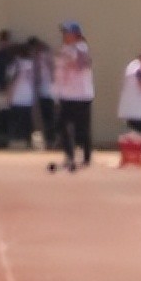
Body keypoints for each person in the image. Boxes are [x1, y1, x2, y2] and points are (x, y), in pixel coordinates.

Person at [53, 21, 94, 171]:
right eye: (64, 32)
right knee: (63, 125)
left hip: (81, 95)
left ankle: (86, 156)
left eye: (67, 32)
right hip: (66, 94)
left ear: (75, 34)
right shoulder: (64, 49)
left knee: (82, 128)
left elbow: (84, 63)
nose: (64, 35)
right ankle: (69, 155)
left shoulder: (81, 48)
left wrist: (73, 61)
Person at [6, 42, 36, 147]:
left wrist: (9, 95)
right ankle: (27, 141)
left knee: (15, 121)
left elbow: (10, 80)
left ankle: (15, 141)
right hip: (28, 97)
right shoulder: (32, 64)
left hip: (16, 97)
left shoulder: (16, 64)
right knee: (26, 122)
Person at [28, 36, 55, 149]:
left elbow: (40, 74)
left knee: (48, 116)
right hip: (46, 90)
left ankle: (51, 139)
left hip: (47, 91)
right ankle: (49, 138)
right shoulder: (44, 56)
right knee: (46, 116)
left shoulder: (43, 57)